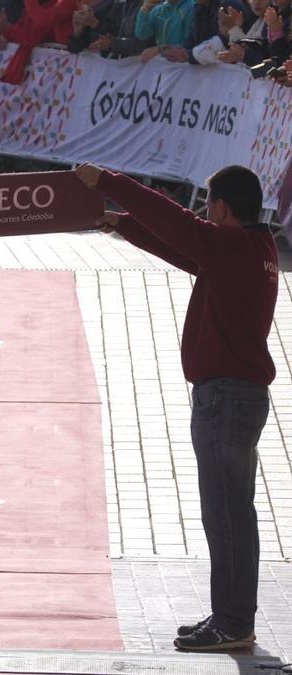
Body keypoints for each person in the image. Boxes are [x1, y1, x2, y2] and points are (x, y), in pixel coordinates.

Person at [74, 163, 278, 652]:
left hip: (225, 397)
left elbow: (180, 228)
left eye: (209, 205)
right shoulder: (256, 248)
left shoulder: (230, 247)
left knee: (226, 515)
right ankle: (231, 617)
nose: (205, 213)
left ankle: (232, 622)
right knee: (231, 513)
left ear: (222, 206)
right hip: (238, 395)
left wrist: (109, 182)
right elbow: (185, 250)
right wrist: (121, 223)